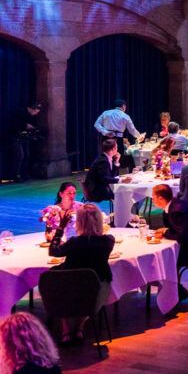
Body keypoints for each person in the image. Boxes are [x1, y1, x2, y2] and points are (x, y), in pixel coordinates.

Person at [47, 203, 114, 345]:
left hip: (69, 290)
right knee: (87, 284)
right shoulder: (108, 241)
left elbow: (53, 251)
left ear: (79, 222)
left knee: (59, 278)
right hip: (95, 289)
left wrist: (60, 228)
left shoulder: (74, 243)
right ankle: (79, 327)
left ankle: (65, 330)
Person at [151, 183, 188, 302]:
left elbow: (182, 237)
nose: (153, 200)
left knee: (162, 261)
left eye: (153, 197)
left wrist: (165, 232)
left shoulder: (176, 211)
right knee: (162, 258)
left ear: (161, 198)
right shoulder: (175, 204)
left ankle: (177, 293)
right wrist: (166, 230)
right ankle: (174, 292)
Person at [93, 99, 142, 167]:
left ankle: (104, 172)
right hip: (117, 139)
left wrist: (105, 132)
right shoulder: (125, 116)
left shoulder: (106, 113)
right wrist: (139, 136)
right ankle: (114, 174)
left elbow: (96, 124)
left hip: (106, 138)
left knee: (105, 156)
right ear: (123, 106)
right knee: (117, 158)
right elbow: (132, 130)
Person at [11, 102, 44, 182]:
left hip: (23, 137)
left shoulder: (30, 116)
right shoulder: (20, 113)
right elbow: (14, 125)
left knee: (27, 155)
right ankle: (16, 175)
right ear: (31, 108)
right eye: (35, 111)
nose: (35, 114)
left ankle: (24, 173)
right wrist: (25, 125)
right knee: (20, 155)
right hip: (15, 137)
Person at [82, 139, 120, 203]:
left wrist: (116, 161)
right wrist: (120, 180)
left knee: (122, 192)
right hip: (96, 191)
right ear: (113, 148)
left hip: (101, 187)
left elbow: (112, 176)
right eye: (117, 147)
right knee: (123, 193)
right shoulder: (103, 161)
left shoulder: (106, 158)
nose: (117, 149)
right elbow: (105, 179)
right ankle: (124, 212)